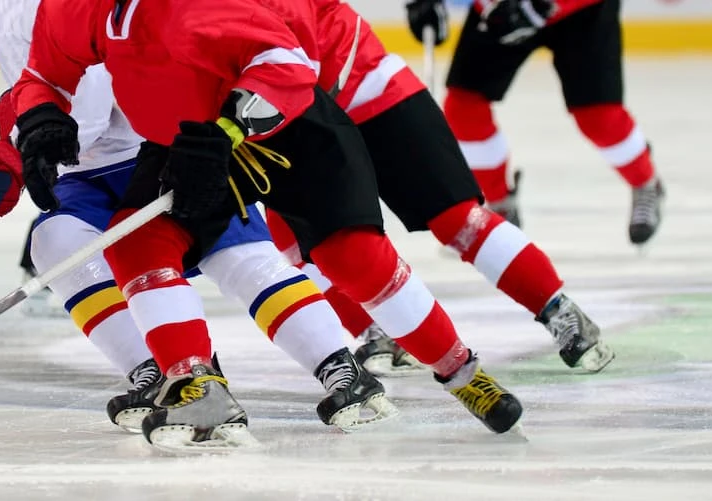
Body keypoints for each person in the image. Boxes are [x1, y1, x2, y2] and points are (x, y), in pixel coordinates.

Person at [12, 0, 523, 450]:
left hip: (293, 131)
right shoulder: (76, 6)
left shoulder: (203, 8)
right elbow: (46, 73)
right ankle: (196, 385)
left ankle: (463, 373)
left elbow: (289, 65)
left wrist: (229, 129)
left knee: (354, 260)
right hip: (191, 138)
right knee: (137, 242)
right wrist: (41, 120)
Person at [0, 0, 394, 445]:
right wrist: (13, 143)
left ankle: (337, 363)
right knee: (55, 240)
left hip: (171, 145)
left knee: (234, 253)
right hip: (87, 173)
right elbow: (32, 84)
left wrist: (14, 155)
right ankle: (159, 371)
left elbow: (84, 112)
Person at [262, 0, 613, 375]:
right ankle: (376, 331)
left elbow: (284, 50)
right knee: (297, 241)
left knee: (457, 220)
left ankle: (559, 310)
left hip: (364, 85)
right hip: (291, 119)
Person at [406, 0, 665, 245]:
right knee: (464, 108)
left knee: (598, 117)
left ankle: (645, 182)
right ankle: (500, 208)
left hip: (581, 13)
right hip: (502, 6)